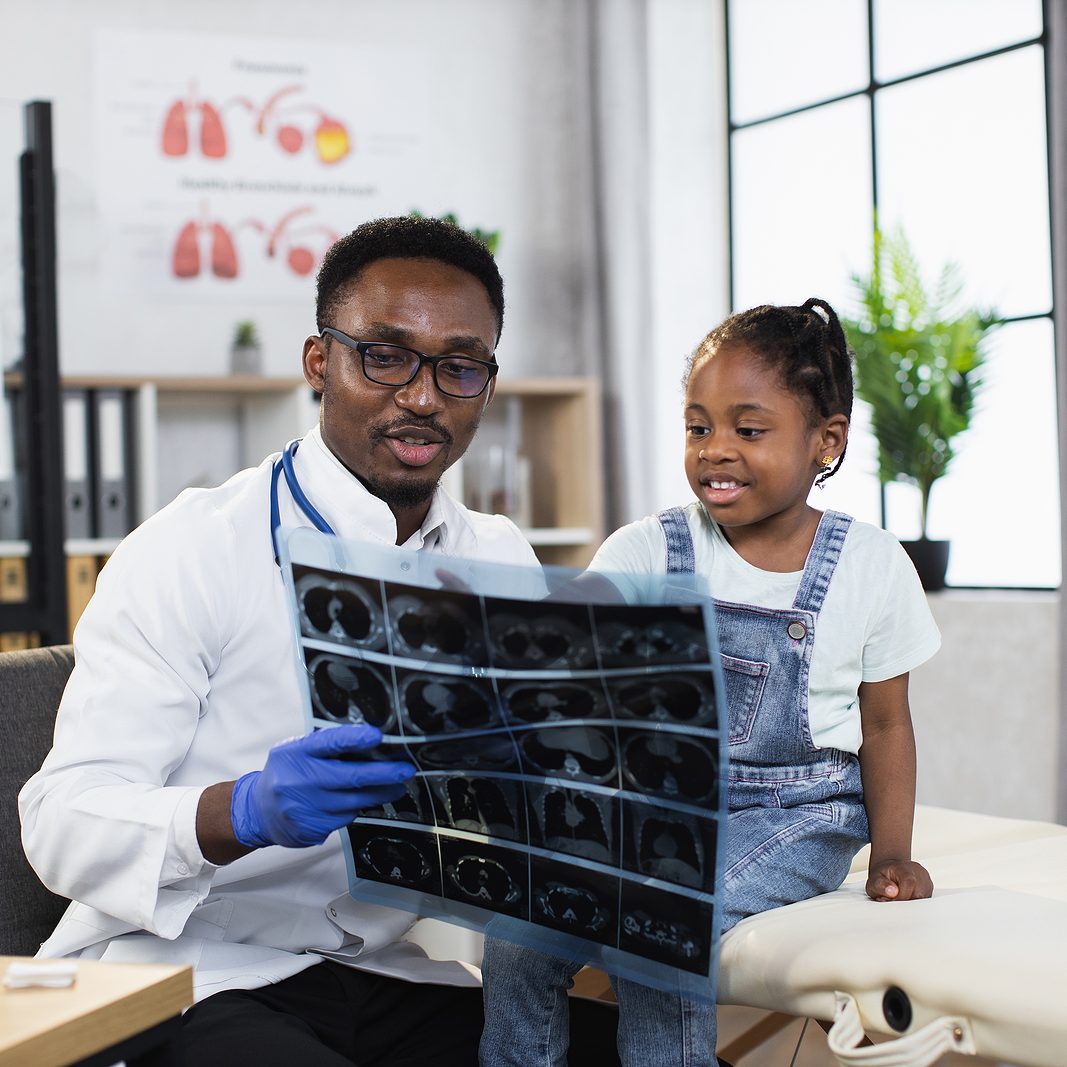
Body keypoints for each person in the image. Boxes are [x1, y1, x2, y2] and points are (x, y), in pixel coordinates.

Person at [19, 215, 619, 1066]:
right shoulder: (195, 544)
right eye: (384, 354)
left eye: (458, 366)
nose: (421, 396)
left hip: (387, 972)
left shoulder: (496, 559)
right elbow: (58, 822)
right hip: (192, 973)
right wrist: (243, 809)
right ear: (318, 361)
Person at [479, 298, 940, 1067]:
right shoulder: (647, 548)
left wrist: (893, 853)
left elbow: (886, 724)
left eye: (747, 430)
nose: (715, 450)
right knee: (517, 926)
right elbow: (555, 650)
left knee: (662, 909)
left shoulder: (870, 565)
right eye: (698, 427)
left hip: (800, 806)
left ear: (825, 441)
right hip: (665, 799)